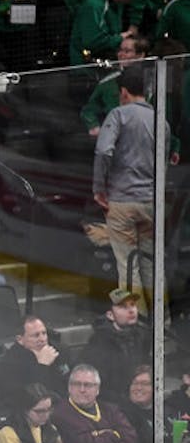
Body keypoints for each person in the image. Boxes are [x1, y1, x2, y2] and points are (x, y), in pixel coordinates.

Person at [93, 66, 155, 296]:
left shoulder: (118, 115)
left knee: (129, 267)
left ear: (124, 92)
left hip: (121, 201)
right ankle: (162, 325)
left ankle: (135, 325)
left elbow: (103, 151)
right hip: (150, 202)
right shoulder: (161, 121)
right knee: (151, 264)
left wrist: (99, 188)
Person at [52, 363, 138, 443]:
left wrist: (97, 439)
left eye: (87, 385)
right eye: (76, 384)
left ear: (97, 389)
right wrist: (114, 435)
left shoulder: (111, 410)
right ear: (69, 387)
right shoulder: (60, 414)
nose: (82, 390)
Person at [80, 288, 151, 403]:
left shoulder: (142, 335)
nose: (131, 310)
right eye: (123, 307)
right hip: (113, 404)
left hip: (139, 397)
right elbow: (100, 385)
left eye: (132, 305)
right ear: (110, 315)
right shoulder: (99, 342)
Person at [69, 0, 142, 65]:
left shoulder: (115, 4)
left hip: (103, 67)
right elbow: (92, 42)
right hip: (86, 72)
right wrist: (120, 38)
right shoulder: (94, 6)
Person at [81, 35, 150, 135]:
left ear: (140, 55)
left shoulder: (154, 79)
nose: (121, 54)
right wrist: (95, 128)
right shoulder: (108, 82)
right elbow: (88, 110)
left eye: (127, 51)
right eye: (120, 50)